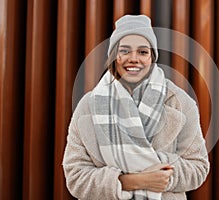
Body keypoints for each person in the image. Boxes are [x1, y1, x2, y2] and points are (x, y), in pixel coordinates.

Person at [62, 14, 209, 200]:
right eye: (124, 51)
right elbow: (76, 177)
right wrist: (134, 181)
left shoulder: (179, 102)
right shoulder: (89, 106)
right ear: (114, 55)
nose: (133, 58)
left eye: (142, 52)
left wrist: (166, 175)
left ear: (152, 57)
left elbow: (198, 167)